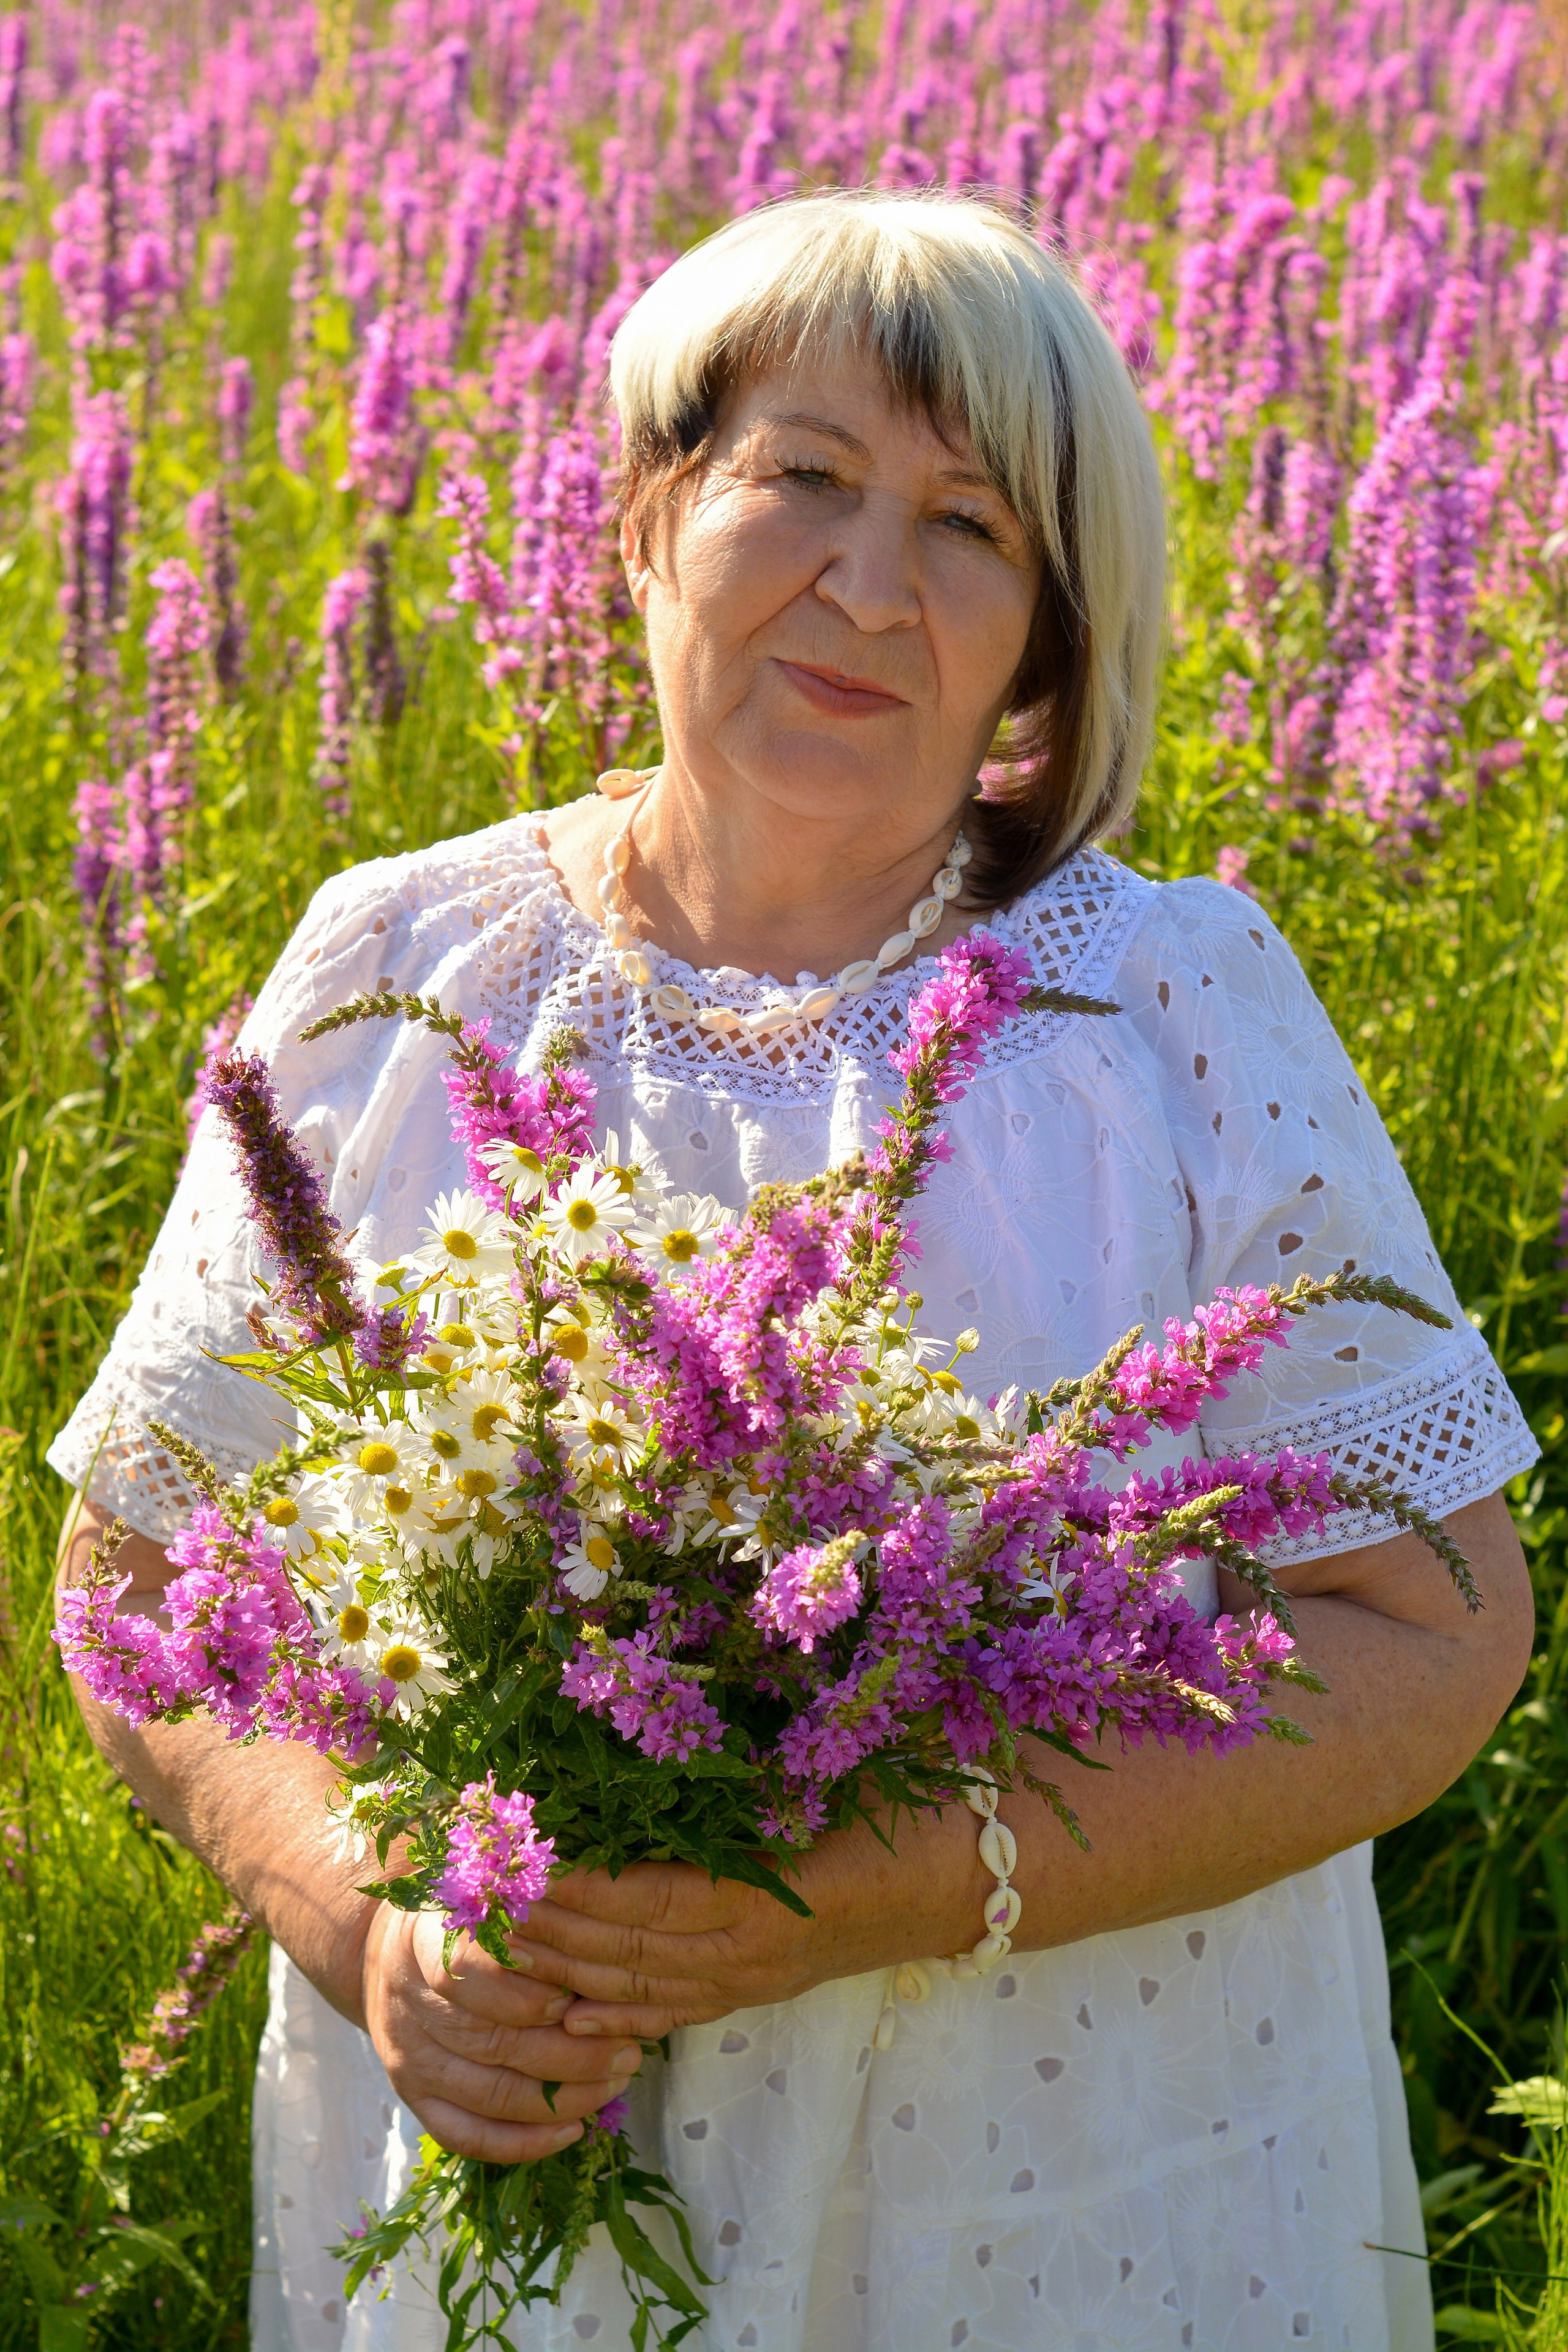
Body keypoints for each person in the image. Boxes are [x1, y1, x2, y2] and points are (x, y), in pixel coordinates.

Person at [52, 191, 1535, 2352]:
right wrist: (365, 1921)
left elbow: (1441, 1618)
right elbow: (134, 1568)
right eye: (802, 477)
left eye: (970, 527)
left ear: (1046, 641)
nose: (867, 585)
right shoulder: (401, 970)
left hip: (1070, 2201)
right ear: (651, 510)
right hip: (521, 2163)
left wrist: (874, 1896)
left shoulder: (1173, 1007)